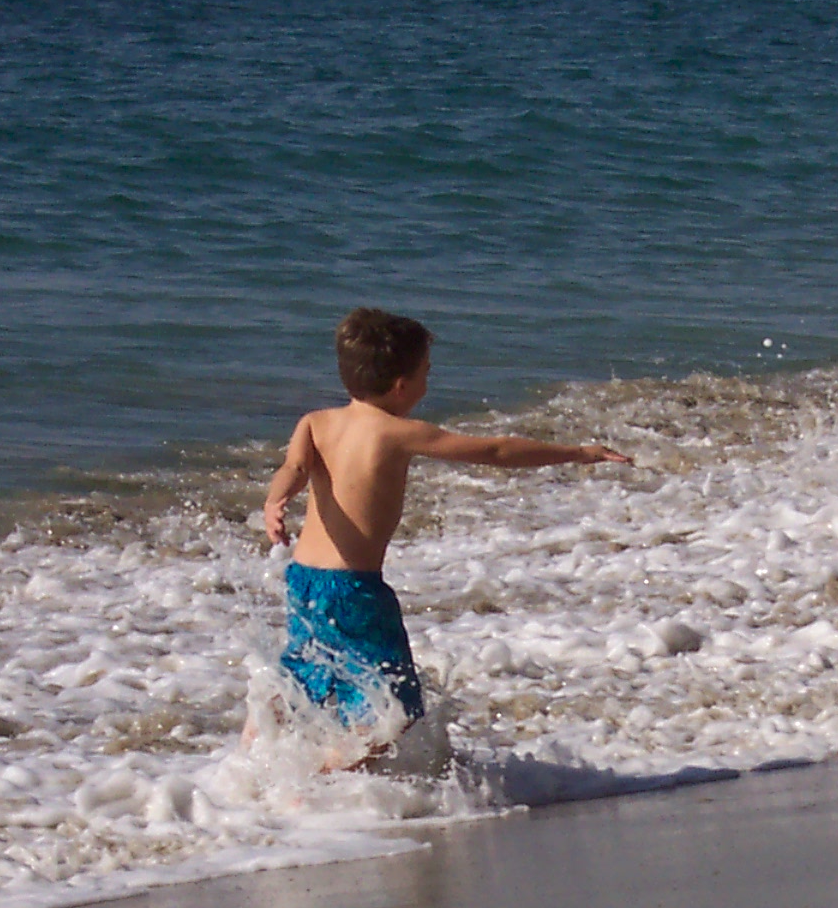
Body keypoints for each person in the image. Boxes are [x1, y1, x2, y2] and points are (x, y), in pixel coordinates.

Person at [257, 308, 631, 743]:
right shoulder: (398, 432)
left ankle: (256, 757)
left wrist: (274, 500)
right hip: (355, 588)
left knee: (301, 683)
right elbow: (496, 451)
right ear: (402, 386)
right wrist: (578, 452)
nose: (427, 381)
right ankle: (323, 780)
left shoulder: (315, 422)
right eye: (426, 373)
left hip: (304, 580)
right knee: (392, 714)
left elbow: (294, 467)